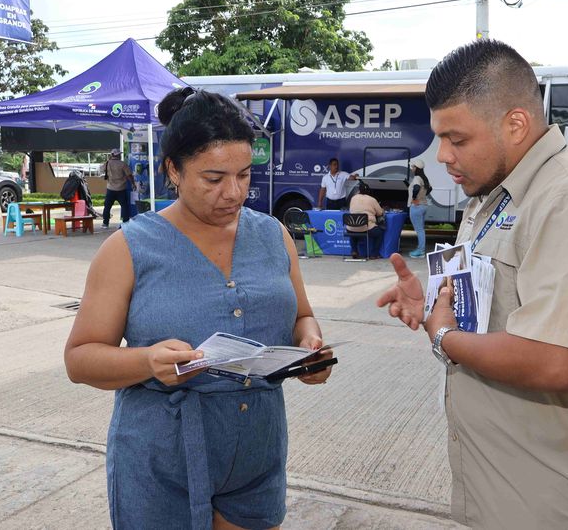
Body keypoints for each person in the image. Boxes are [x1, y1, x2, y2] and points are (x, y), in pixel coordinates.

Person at [376, 39, 568, 528]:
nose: (442, 155)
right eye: (439, 137)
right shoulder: (490, 196)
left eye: (457, 139)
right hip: (505, 491)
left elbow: (559, 361)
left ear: (516, 124)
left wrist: (444, 336)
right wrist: (437, 306)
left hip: (564, 504)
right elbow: (494, 309)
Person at [64, 87, 333, 530]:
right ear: (173, 169)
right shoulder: (129, 248)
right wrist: (147, 362)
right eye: (213, 179)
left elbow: (302, 315)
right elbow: (80, 358)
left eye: (245, 174)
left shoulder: (274, 236)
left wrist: (309, 344)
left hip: (256, 453)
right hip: (160, 460)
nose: (234, 192)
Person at [346, 181, 384, 259]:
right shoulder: (372, 199)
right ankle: (374, 254)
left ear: (359, 190)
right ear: (368, 191)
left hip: (351, 227)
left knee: (353, 231)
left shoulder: (353, 198)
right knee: (379, 233)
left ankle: (354, 251)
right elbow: (380, 213)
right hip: (366, 228)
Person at [100, 148, 136, 228]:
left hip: (110, 189)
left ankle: (105, 223)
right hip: (121, 189)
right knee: (124, 206)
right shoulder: (122, 164)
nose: (120, 155)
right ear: (117, 155)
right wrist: (133, 184)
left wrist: (108, 161)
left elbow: (101, 170)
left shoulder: (107, 163)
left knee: (107, 206)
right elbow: (129, 175)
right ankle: (125, 222)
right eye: (119, 154)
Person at [407, 158, 431, 258]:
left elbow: (416, 188)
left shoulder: (417, 178)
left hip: (416, 207)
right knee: (421, 229)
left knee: (419, 230)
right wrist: (422, 196)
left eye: (413, 167)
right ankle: (420, 248)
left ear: (416, 168)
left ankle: (421, 251)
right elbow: (430, 188)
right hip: (423, 205)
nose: (412, 168)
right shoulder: (424, 178)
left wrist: (414, 198)